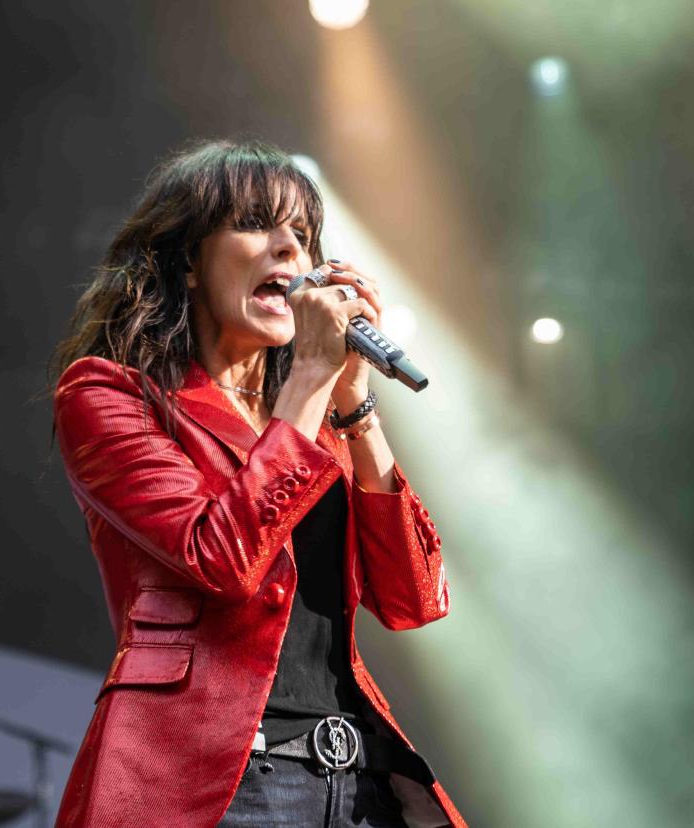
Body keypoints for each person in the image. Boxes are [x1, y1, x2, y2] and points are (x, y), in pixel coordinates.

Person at [49, 138, 462, 827]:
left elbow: (414, 597)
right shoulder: (110, 397)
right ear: (187, 263)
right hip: (222, 786)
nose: (289, 251)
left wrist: (353, 404)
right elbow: (221, 560)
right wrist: (307, 383)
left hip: (356, 783)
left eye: (301, 235)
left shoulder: (313, 423)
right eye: (255, 224)